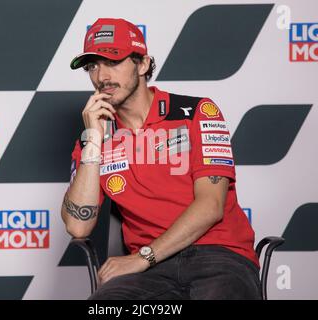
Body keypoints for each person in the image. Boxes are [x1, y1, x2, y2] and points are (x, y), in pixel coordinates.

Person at [61, 18, 261, 300]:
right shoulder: (94, 137)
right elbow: (77, 226)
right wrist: (93, 140)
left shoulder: (197, 112)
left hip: (218, 257)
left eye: (113, 62)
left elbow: (211, 205)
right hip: (150, 275)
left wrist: (144, 256)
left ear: (142, 64)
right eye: (92, 66)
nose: (101, 76)